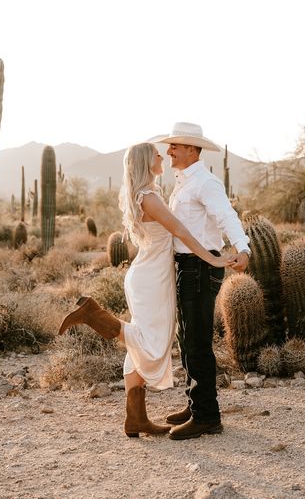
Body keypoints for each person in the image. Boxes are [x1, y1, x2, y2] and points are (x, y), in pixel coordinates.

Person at [58, 142, 229, 438]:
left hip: (145, 274)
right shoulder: (149, 197)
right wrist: (213, 257)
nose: (162, 156)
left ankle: (136, 419)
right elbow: (181, 231)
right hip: (151, 278)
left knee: (138, 346)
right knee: (153, 343)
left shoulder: (141, 194)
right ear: (144, 163)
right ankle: (94, 314)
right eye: (155, 155)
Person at [152, 122, 251, 440]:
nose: (169, 151)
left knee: (197, 342)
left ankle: (207, 416)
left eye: (175, 146)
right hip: (186, 265)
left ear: (192, 150)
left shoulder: (205, 183)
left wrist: (242, 247)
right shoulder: (183, 183)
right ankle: (195, 405)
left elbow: (226, 215)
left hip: (201, 265)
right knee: (187, 340)